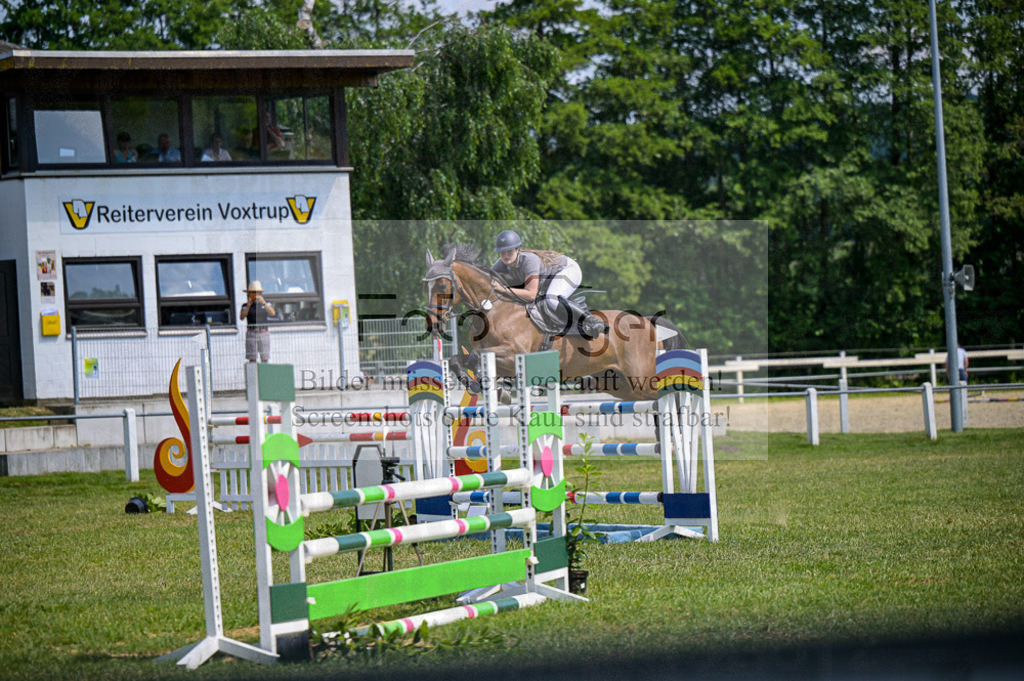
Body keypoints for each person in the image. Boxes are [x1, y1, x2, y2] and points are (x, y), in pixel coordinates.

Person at [491, 229, 609, 338]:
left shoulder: (529, 261)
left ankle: (592, 321)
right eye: (502, 252)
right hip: (551, 278)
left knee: (552, 299)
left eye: (509, 251)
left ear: (517, 250)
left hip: (567, 270)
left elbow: (531, 294)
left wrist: (503, 289)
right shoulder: (500, 264)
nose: (506, 256)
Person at [240, 281, 275, 363]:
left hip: (263, 332)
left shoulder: (266, 303)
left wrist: (264, 303)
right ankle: (253, 375)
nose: (255, 295)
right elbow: (242, 317)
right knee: (252, 358)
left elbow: (272, 313)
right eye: (253, 293)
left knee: (265, 357)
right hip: (251, 332)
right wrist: (249, 305)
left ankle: (264, 374)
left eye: (258, 293)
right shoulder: (245, 305)